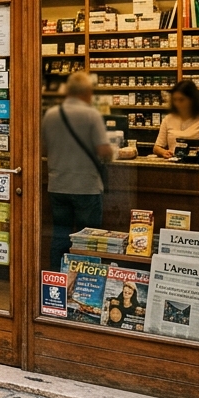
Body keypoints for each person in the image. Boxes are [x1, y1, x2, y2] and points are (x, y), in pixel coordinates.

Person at [41, 71, 115, 272]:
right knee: (88, 240)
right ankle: (85, 284)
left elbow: (43, 148)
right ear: (87, 93)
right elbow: (104, 152)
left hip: (58, 186)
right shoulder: (91, 115)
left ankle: (56, 279)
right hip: (86, 188)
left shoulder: (51, 114)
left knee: (60, 236)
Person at [151, 79, 199, 158]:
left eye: (181, 100)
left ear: (192, 100)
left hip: (196, 164)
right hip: (174, 164)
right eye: (175, 100)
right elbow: (156, 148)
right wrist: (163, 152)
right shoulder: (168, 119)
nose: (177, 104)